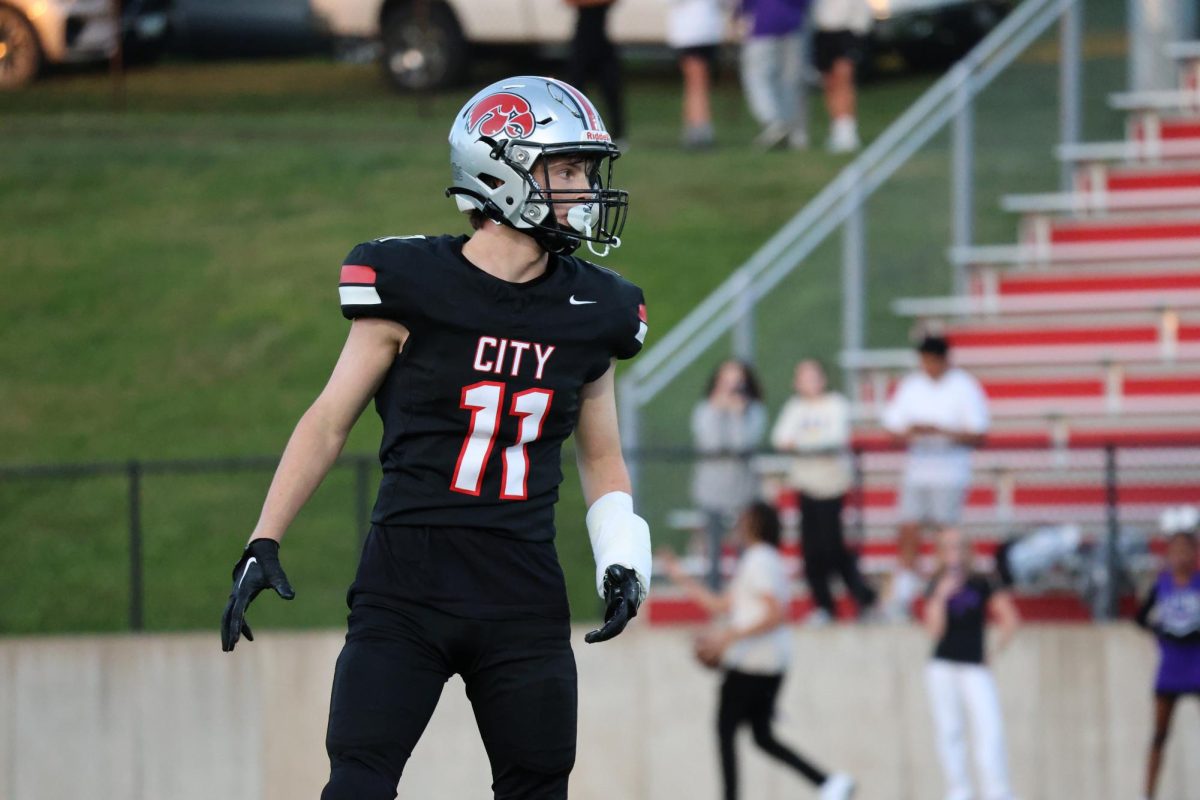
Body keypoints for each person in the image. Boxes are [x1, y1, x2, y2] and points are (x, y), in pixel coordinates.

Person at [217, 76, 653, 800]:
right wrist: (264, 537)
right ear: (502, 170)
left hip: (522, 588)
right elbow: (329, 418)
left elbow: (601, 453)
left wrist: (620, 555)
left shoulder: (596, 308)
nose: (584, 189)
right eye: (568, 170)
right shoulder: (410, 281)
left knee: (539, 787)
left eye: (585, 171)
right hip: (406, 583)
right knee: (357, 784)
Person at [660, 502, 857, 800]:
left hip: (753, 663)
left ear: (756, 524)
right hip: (769, 664)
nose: (738, 525)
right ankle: (828, 782)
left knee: (726, 730)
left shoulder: (759, 560)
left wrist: (726, 638)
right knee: (762, 736)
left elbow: (774, 613)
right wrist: (679, 576)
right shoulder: (761, 560)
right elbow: (722, 605)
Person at [880, 334, 988, 621]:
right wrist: (915, 431)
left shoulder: (964, 386)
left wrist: (940, 431)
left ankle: (949, 593)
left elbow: (978, 433)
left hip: (950, 474)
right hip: (918, 472)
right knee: (908, 532)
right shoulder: (912, 386)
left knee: (947, 537)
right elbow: (892, 429)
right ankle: (902, 598)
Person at [771, 359, 875, 624]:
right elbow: (780, 438)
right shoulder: (794, 407)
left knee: (833, 547)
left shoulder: (836, 404)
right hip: (806, 486)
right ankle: (824, 605)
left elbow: (835, 439)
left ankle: (862, 597)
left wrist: (801, 443)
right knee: (811, 550)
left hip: (832, 487)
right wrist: (811, 445)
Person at [923, 527, 1020, 800]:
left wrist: (995, 652)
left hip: (974, 665)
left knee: (989, 728)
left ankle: (997, 790)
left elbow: (1009, 619)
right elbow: (933, 631)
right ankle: (958, 790)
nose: (954, 552)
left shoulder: (983, 582)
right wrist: (941, 596)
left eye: (959, 546)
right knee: (949, 730)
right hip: (943, 666)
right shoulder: (936, 583)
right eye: (948, 547)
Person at [1135, 530, 1200, 800]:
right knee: (1160, 734)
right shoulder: (1161, 585)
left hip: (1197, 664)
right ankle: (1149, 794)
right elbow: (1139, 618)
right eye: (1176, 550)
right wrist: (1160, 632)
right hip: (1171, 666)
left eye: (1187, 550)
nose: (1181, 556)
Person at [692, 359, 767, 584]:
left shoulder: (754, 411)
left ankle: (744, 598)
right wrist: (717, 411)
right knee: (713, 552)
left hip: (743, 491)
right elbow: (710, 444)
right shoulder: (705, 410)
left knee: (746, 550)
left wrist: (736, 415)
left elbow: (741, 446)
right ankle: (715, 603)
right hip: (711, 490)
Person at [738, 0, 810, 150]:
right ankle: (795, 133)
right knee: (791, 81)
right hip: (794, 24)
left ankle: (774, 122)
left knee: (757, 77)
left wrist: (738, 15)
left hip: (764, 24)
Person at [811, 0, 871, 152]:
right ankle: (838, 127)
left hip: (846, 31)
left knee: (843, 81)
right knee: (829, 83)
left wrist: (858, 34)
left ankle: (848, 131)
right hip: (822, 32)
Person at [566, 0, 627, 143]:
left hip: (601, 42)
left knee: (611, 88)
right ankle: (573, 131)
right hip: (582, 42)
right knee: (574, 92)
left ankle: (618, 134)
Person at [668, 0, 726, 148]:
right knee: (697, 82)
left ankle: (699, 128)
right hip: (704, 31)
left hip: (693, 33)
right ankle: (696, 126)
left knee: (696, 82)